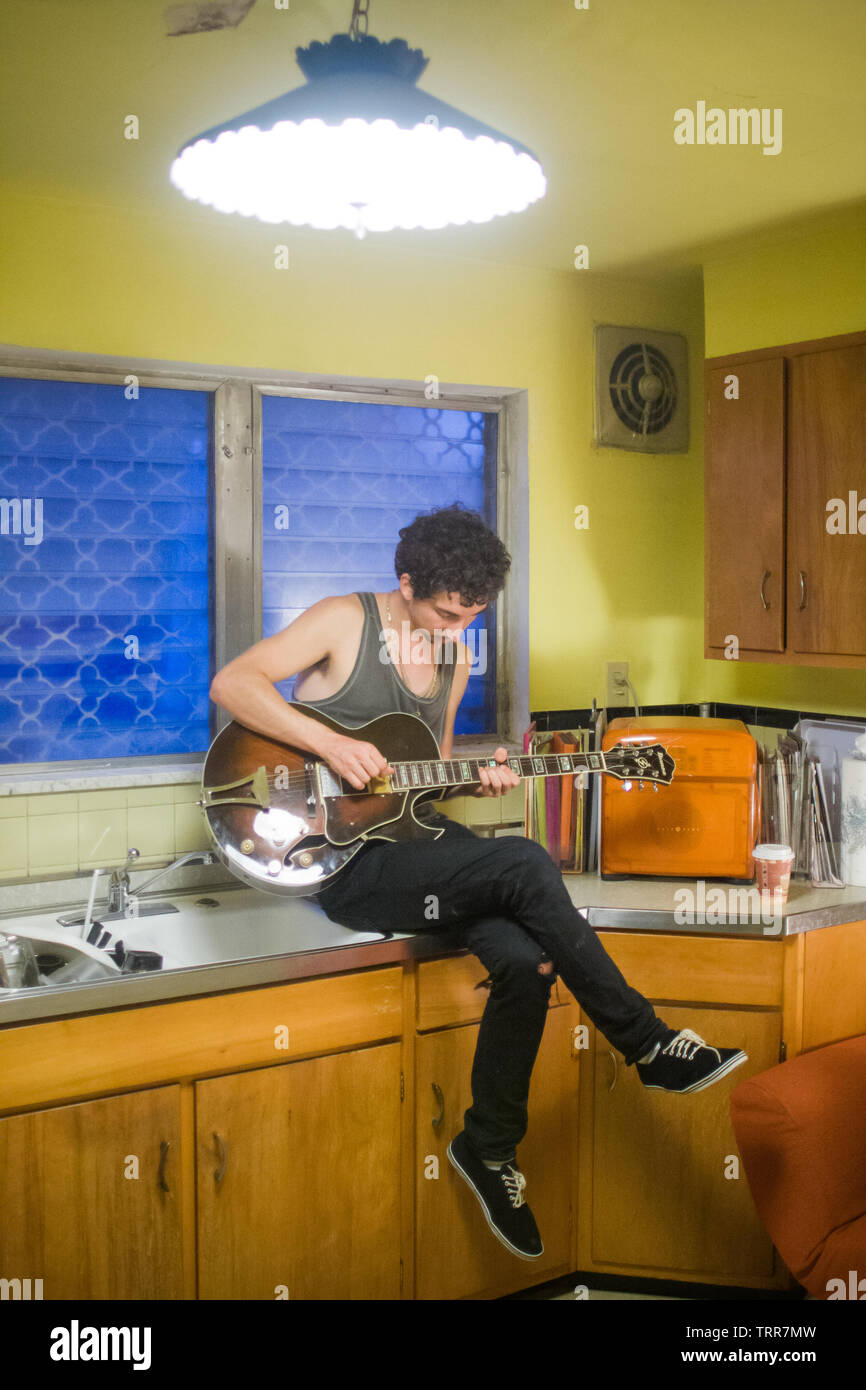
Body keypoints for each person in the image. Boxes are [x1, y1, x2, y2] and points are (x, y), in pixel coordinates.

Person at [208, 503, 748, 1263]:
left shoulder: (455, 660)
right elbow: (234, 685)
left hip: (414, 845)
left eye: (472, 616)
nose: (457, 630)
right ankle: (650, 1044)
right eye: (445, 612)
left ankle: (486, 1149)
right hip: (340, 861)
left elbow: (422, 789)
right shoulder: (343, 621)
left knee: (528, 962)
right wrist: (331, 742)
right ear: (405, 584)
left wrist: (481, 781)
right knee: (526, 862)